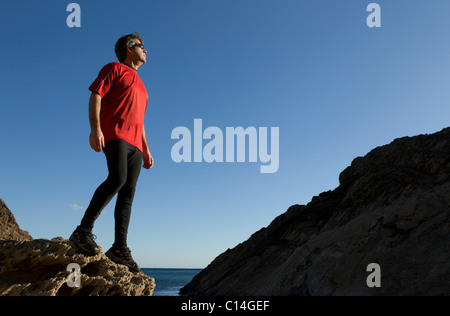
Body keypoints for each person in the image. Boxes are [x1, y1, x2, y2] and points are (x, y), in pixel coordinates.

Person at [70, 32, 153, 273]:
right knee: (117, 179)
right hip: (115, 134)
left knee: (128, 194)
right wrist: (95, 129)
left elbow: (141, 120)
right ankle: (82, 231)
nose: (145, 50)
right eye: (141, 46)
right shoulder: (114, 68)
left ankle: (119, 248)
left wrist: (146, 149)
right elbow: (96, 95)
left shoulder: (143, 86)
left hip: (136, 145)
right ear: (129, 48)